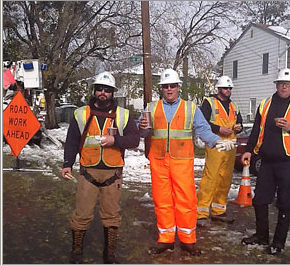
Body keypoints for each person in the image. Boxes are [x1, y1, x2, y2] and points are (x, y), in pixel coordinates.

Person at [138, 69, 234, 256]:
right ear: (161, 89)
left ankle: (187, 240)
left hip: (181, 161)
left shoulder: (190, 108)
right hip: (158, 161)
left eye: (172, 85)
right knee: (162, 201)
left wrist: (216, 141)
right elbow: (141, 131)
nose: (169, 89)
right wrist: (141, 128)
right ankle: (165, 239)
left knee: (186, 201)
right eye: (165, 86)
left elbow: (203, 130)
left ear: (178, 87)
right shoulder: (151, 107)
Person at [61, 71, 140, 264]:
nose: (103, 93)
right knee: (82, 214)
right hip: (88, 171)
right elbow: (71, 141)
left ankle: (109, 254)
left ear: (113, 93)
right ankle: (77, 250)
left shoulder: (123, 115)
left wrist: (115, 139)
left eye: (107, 90)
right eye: (99, 89)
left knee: (112, 216)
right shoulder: (81, 114)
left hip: (113, 173)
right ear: (94, 91)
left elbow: (134, 139)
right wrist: (67, 164)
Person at [240, 68, 290, 254]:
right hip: (267, 161)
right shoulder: (265, 104)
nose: (284, 87)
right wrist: (249, 151)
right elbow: (256, 130)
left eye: (288, 84)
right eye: (281, 83)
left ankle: (278, 242)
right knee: (260, 200)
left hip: (289, 163)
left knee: (284, 203)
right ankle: (261, 235)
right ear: (276, 85)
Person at [196, 76, 243, 227]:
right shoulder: (209, 102)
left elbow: (239, 121)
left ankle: (218, 210)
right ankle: (201, 213)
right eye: (225, 88)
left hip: (230, 145)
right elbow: (201, 122)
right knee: (211, 177)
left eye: (229, 88)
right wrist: (218, 129)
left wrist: (238, 127)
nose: (228, 91)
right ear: (218, 89)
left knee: (225, 178)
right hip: (215, 143)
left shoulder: (234, 105)